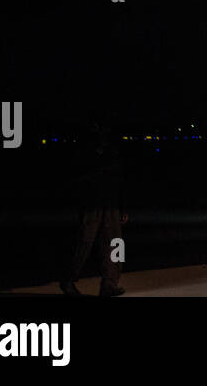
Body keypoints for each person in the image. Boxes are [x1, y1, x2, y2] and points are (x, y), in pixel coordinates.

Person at [61, 122, 127, 297]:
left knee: (115, 243)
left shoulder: (114, 148)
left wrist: (123, 206)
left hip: (111, 202)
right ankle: (68, 280)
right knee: (84, 241)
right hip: (92, 201)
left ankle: (110, 283)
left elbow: (120, 179)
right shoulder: (87, 149)